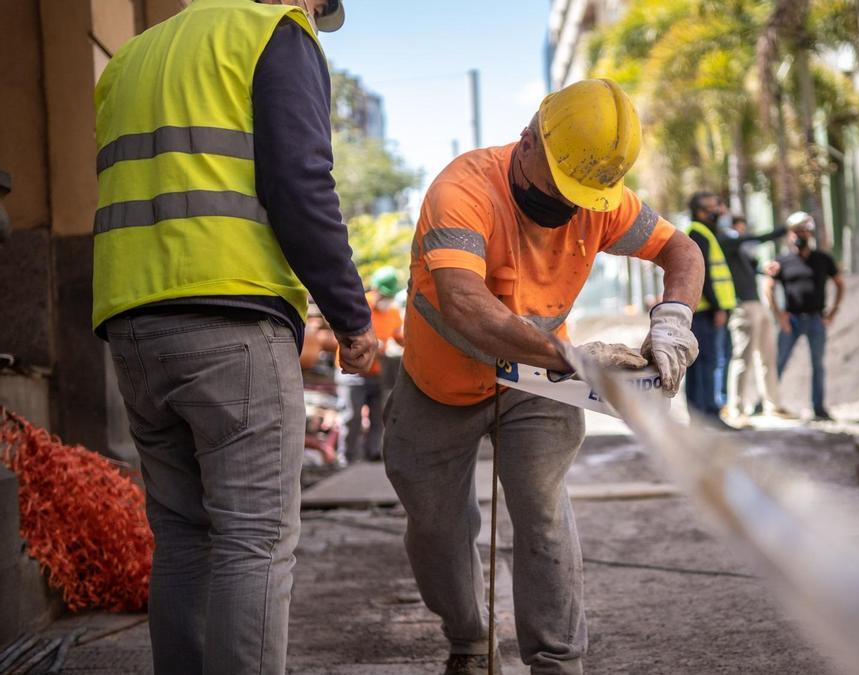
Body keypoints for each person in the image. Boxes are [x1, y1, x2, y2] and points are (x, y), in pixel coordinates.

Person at [382, 78, 703, 675]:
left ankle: (558, 662)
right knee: (436, 528)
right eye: (559, 186)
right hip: (438, 388)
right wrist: (578, 360)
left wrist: (673, 320)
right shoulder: (463, 190)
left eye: (581, 195)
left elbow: (683, 253)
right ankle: (469, 641)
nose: (567, 205)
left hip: (536, 386)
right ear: (528, 140)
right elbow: (466, 307)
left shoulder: (597, 201)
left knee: (543, 511)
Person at [91, 2, 376, 673]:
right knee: (254, 540)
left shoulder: (133, 54)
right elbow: (300, 181)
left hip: (133, 323)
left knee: (183, 537)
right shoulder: (272, 32)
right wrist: (351, 315)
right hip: (229, 320)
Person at [767, 211, 844, 421]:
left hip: (816, 320)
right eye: (795, 232)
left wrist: (832, 312)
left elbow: (839, 284)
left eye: (803, 231)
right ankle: (767, 403)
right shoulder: (782, 261)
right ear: (790, 235)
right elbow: (769, 287)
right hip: (790, 320)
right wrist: (779, 315)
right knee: (779, 362)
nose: (799, 236)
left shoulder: (823, 259)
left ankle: (818, 408)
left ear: (810, 233)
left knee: (818, 365)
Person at [719, 215, 794, 425]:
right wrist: (783, 229)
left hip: (757, 303)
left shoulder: (739, 250)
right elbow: (758, 239)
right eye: (740, 228)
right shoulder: (725, 241)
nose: (742, 232)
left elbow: (752, 268)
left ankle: (772, 405)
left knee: (767, 357)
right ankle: (736, 408)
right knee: (742, 358)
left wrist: (762, 269)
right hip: (742, 306)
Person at [336, 266, 404, 464]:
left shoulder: (392, 312)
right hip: (353, 372)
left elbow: (400, 336)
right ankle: (347, 458)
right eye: (383, 294)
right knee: (352, 416)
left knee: (378, 416)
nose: (385, 299)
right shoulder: (359, 306)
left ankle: (373, 454)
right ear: (375, 289)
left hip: (377, 372)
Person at [684, 191, 739, 429]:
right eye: (714, 206)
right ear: (700, 211)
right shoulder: (699, 233)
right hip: (706, 311)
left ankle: (699, 417)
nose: (719, 210)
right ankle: (708, 415)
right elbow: (703, 275)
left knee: (699, 363)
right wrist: (718, 307)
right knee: (706, 362)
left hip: (702, 310)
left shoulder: (702, 232)